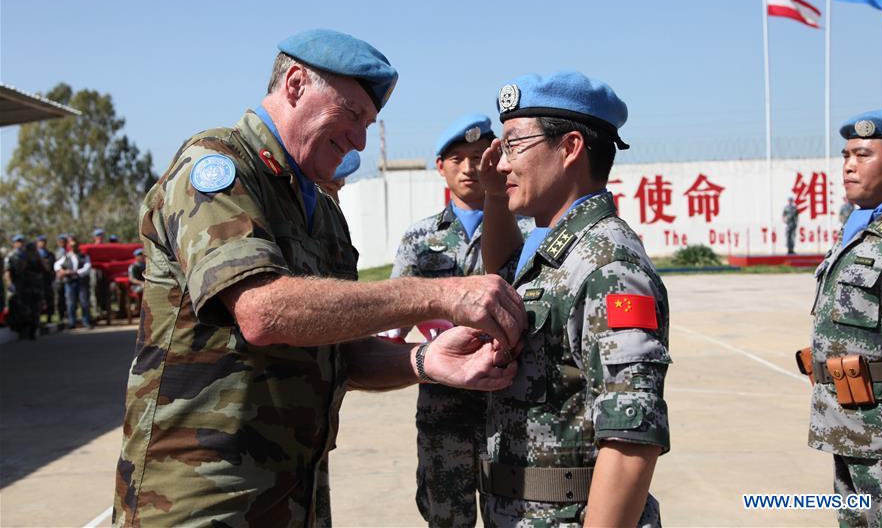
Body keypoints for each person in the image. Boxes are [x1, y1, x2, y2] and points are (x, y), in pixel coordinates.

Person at [112, 29, 526, 527]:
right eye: (352, 115)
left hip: (295, 494)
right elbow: (263, 312)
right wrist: (435, 294)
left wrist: (425, 360)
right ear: (294, 85)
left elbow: (344, 354)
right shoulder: (219, 170)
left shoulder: (322, 214)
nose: (360, 139)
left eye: (369, 124)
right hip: (202, 499)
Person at [477, 72, 671, 527]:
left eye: (512, 146)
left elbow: (632, 435)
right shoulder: (557, 251)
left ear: (569, 149)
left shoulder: (609, 265)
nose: (501, 164)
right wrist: (492, 194)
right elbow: (501, 269)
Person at [378, 114, 529, 528]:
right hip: (442, 404)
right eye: (457, 158)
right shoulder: (419, 238)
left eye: (480, 157)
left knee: (513, 515)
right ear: (440, 166)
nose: (469, 168)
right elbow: (394, 320)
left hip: (509, 403)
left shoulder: (526, 231)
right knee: (446, 515)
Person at [797, 108, 882, 528]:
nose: (849, 166)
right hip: (848, 430)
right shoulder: (860, 229)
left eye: (863, 155)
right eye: (845, 156)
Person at [5, 236, 44, 340]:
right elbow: (8, 271)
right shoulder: (13, 255)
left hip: (34, 286)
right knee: (21, 308)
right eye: (18, 242)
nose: (20, 244)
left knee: (34, 308)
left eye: (22, 242)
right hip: (20, 286)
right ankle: (21, 329)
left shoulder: (34, 256)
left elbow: (44, 269)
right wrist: (10, 284)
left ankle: (32, 329)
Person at [54, 235, 92, 329]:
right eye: (71, 245)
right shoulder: (66, 256)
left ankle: (86, 322)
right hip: (70, 282)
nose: (73, 246)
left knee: (84, 302)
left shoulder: (84, 256)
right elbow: (56, 265)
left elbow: (87, 268)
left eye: (75, 244)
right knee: (71, 303)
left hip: (81, 281)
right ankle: (72, 322)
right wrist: (63, 271)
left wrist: (75, 272)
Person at [35, 235, 56, 324]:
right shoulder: (34, 255)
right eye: (40, 241)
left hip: (48, 281)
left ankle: (49, 317)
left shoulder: (50, 255)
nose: (42, 243)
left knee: (49, 299)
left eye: (44, 241)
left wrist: (54, 279)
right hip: (37, 281)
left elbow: (54, 268)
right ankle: (38, 319)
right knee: (38, 300)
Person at [53, 234, 68, 326]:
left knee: (68, 298)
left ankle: (67, 315)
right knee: (60, 297)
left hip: (68, 277)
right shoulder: (57, 253)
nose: (62, 243)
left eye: (64, 241)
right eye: (61, 241)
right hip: (59, 278)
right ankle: (61, 315)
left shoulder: (69, 252)